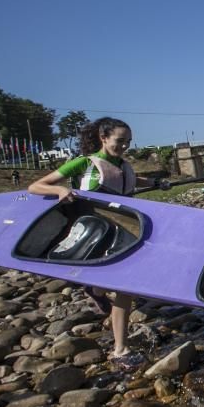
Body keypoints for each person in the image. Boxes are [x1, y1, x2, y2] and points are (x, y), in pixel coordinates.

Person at [29, 117, 166, 364]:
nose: (125, 146)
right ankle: (120, 349)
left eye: (128, 142)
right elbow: (36, 186)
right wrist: (60, 190)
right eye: (120, 141)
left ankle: (96, 289)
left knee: (119, 285)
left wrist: (155, 183)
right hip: (97, 231)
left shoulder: (122, 164)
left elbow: (131, 180)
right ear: (104, 138)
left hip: (128, 228)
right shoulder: (84, 163)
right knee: (126, 287)